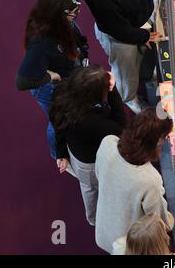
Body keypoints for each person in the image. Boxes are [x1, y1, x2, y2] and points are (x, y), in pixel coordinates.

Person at [79, 0, 162, 114]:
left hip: (137, 25)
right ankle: (130, 101)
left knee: (145, 58)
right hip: (118, 37)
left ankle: (147, 79)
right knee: (126, 72)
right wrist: (141, 36)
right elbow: (118, 29)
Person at [16, 0, 87, 159]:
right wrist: (51, 76)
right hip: (50, 87)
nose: (76, 15)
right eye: (73, 12)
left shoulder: (55, 15)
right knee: (58, 120)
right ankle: (59, 155)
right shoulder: (42, 41)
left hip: (69, 75)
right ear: (58, 14)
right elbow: (22, 81)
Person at [49, 65, 126, 226]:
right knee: (90, 188)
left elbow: (58, 125)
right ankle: (94, 219)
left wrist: (61, 152)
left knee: (88, 184)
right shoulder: (89, 121)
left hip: (75, 148)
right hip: (89, 163)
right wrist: (113, 91)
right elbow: (120, 125)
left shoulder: (62, 90)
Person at [94, 107, 173, 253]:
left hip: (103, 230)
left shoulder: (107, 142)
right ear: (158, 141)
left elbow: (98, 176)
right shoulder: (150, 179)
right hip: (131, 244)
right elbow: (157, 222)